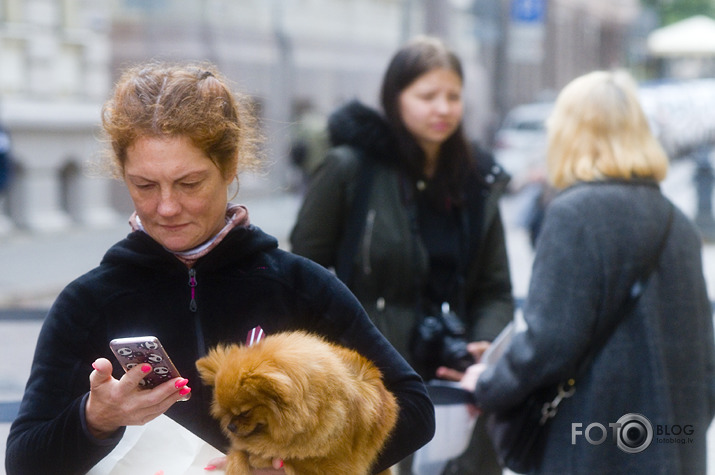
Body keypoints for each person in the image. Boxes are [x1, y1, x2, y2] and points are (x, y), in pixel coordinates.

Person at [4, 62, 435, 475]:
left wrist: (302, 471)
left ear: (229, 168)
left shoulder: (300, 287)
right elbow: (24, 462)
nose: (167, 207)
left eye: (189, 183)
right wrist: (94, 419)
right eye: (144, 185)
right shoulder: (88, 302)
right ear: (122, 175)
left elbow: (413, 409)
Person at [447, 70, 715, 474]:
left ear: (569, 134)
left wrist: (488, 384)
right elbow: (704, 356)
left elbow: (546, 343)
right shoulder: (678, 223)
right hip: (672, 452)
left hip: (593, 450)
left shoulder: (574, 214)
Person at [289, 36, 514, 474]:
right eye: (427, 96)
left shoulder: (476, 179)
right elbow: (301, 278)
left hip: (456, 385)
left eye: (453, 96)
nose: (443, 108)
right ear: (396, 99)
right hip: (370, 382)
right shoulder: (350, 169)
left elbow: (496, 287)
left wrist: (483, 344)